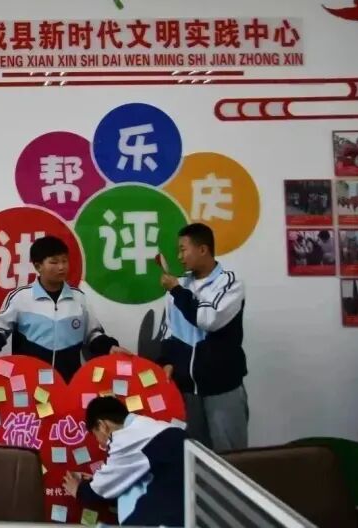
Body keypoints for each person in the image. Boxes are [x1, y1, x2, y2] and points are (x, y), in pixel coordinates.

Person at [0, 235, 126, 382]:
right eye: (54, 262)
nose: (61, 267)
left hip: (68, 382)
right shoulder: (20, 298)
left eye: (64, 261)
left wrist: (109, 347)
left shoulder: (78, 298)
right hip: (28, 382)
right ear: (38, 266)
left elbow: (92, 334)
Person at [157, 222, 248, 451]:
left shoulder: (229, 283)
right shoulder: (179, 286)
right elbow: (168, 330)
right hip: (187, 391)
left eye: (183, 249)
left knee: (230, 457)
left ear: (203, 249)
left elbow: (208, 319)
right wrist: (167, 362)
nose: (179, 257)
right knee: (194, 457)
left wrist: (177, 291)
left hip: (221, 388)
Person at [64, 396, 185, 527]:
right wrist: (100, 480)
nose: (100, 443)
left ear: (102, 425)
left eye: (95, 435)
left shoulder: (125, 440)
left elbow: (100, 490)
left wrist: (78, 489)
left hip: (169, 518)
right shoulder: (152, 427)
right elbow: (123, 476)